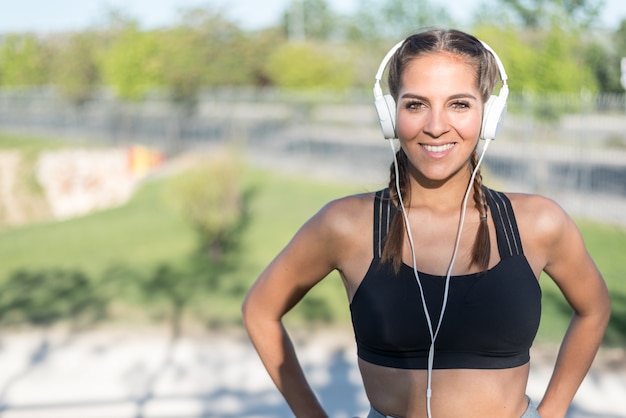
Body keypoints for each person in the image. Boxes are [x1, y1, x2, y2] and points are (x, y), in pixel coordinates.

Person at [241, 28, 610, 418]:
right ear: (390, 114)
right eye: (416, 105)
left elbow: (595, 307)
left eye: (459, 105)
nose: (436, 126)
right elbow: (260, 310)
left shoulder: (539, 223)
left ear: (489, 116)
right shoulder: (345, 225)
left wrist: (551, 412)